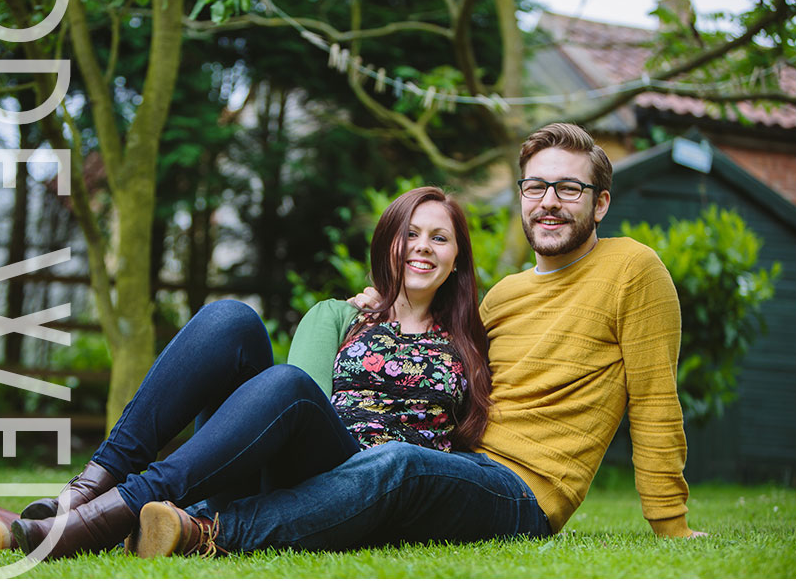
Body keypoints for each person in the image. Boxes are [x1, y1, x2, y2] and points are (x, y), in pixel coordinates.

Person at [122, 122, 705, 554]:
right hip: (457, 468)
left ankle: (207, 530)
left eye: (569, 189)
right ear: (522, 197)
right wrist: (385, 296)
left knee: (399, 462)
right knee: (263, 356)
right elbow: (443, 354)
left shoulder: (633, 269)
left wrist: (669, 522)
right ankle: (116, 491)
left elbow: (654, 398)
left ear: (600, 202)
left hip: (523, 491)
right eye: (536, 186)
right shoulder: (499, 298)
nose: (549, 201)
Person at [0, 186, 495, 558]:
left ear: (456, 257)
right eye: (410, 234)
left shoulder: (473, 337)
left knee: (288, 389)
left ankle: (48, 530)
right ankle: (89, 489)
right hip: (310, 458)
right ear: (388, 244)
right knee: (231, 320)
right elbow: (305, 404)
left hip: (373, 482)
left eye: (438, 238)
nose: (422, 248)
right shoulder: (343, 316)